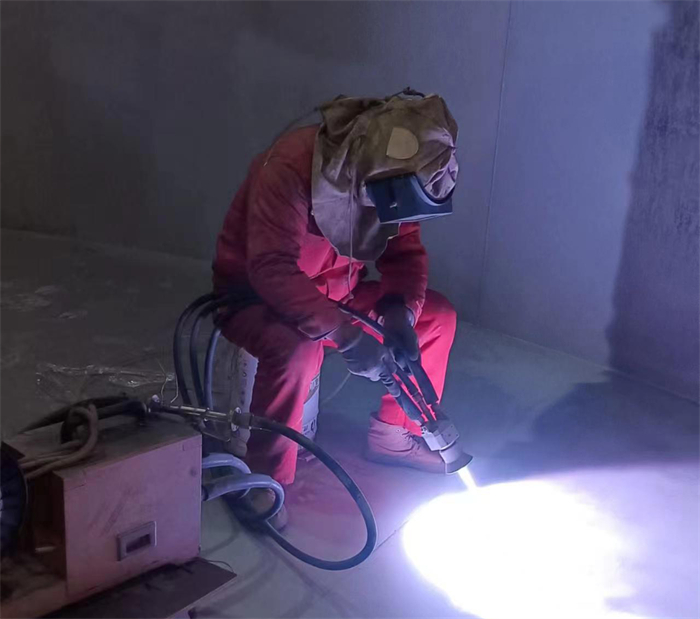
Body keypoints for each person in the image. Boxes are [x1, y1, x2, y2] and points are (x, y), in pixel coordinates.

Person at [212, 91, 459, 528]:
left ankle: (393, 435)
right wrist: (344, 335)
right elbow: (270, 269)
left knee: (436, 318)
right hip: (255, 299)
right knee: (298, 350)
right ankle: (264, 478)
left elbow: (404, 256)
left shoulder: (402, 174)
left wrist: (400, 312)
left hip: (338, 298)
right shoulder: (290, 166)